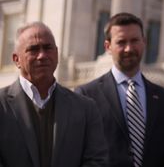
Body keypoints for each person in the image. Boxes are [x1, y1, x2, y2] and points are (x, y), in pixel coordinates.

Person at [76, 12, 164, 167]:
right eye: (121, 42)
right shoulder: (86, 96)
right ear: (108, 46)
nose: (128, 48)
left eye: (134, 41)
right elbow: (79, 154)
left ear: (144, 42)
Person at [0, 22, 108, 167]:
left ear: (56, 54)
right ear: (16, 59)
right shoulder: (2, 105)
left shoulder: (86, 109)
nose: (42, 55)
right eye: (33, 49)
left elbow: (97, 162)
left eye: (47, 48)